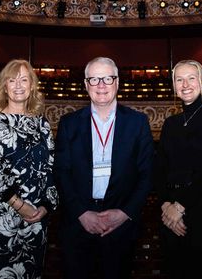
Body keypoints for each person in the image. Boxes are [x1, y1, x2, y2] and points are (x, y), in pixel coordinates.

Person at [55, 57, 154, 279]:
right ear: (85, 84)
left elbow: (147, 174)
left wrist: (125, 213)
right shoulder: (68, 123)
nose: (101, 85)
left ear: (117, 82)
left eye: (107, 78)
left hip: (121, 227)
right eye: (94, 79)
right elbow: (61, 173)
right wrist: (81, 213)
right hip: (78, 225)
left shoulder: (138, 122)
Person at [0, 59, 58, 278]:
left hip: (36, 219)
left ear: (32, 86)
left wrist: (45, 206)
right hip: (1, 217)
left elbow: (50, 170)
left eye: (24, 80)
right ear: (4, 86)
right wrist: (20, 205)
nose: (18, 85)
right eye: (12, 80)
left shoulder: (42, 125)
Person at [154, 60, 202, 278]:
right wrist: (166, 205)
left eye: (191, 78)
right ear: (174, 86)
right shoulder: (170, 123)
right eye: (179, 79)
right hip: (170, 212)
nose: (185, 84)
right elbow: (159, 169)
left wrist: (180, 206)